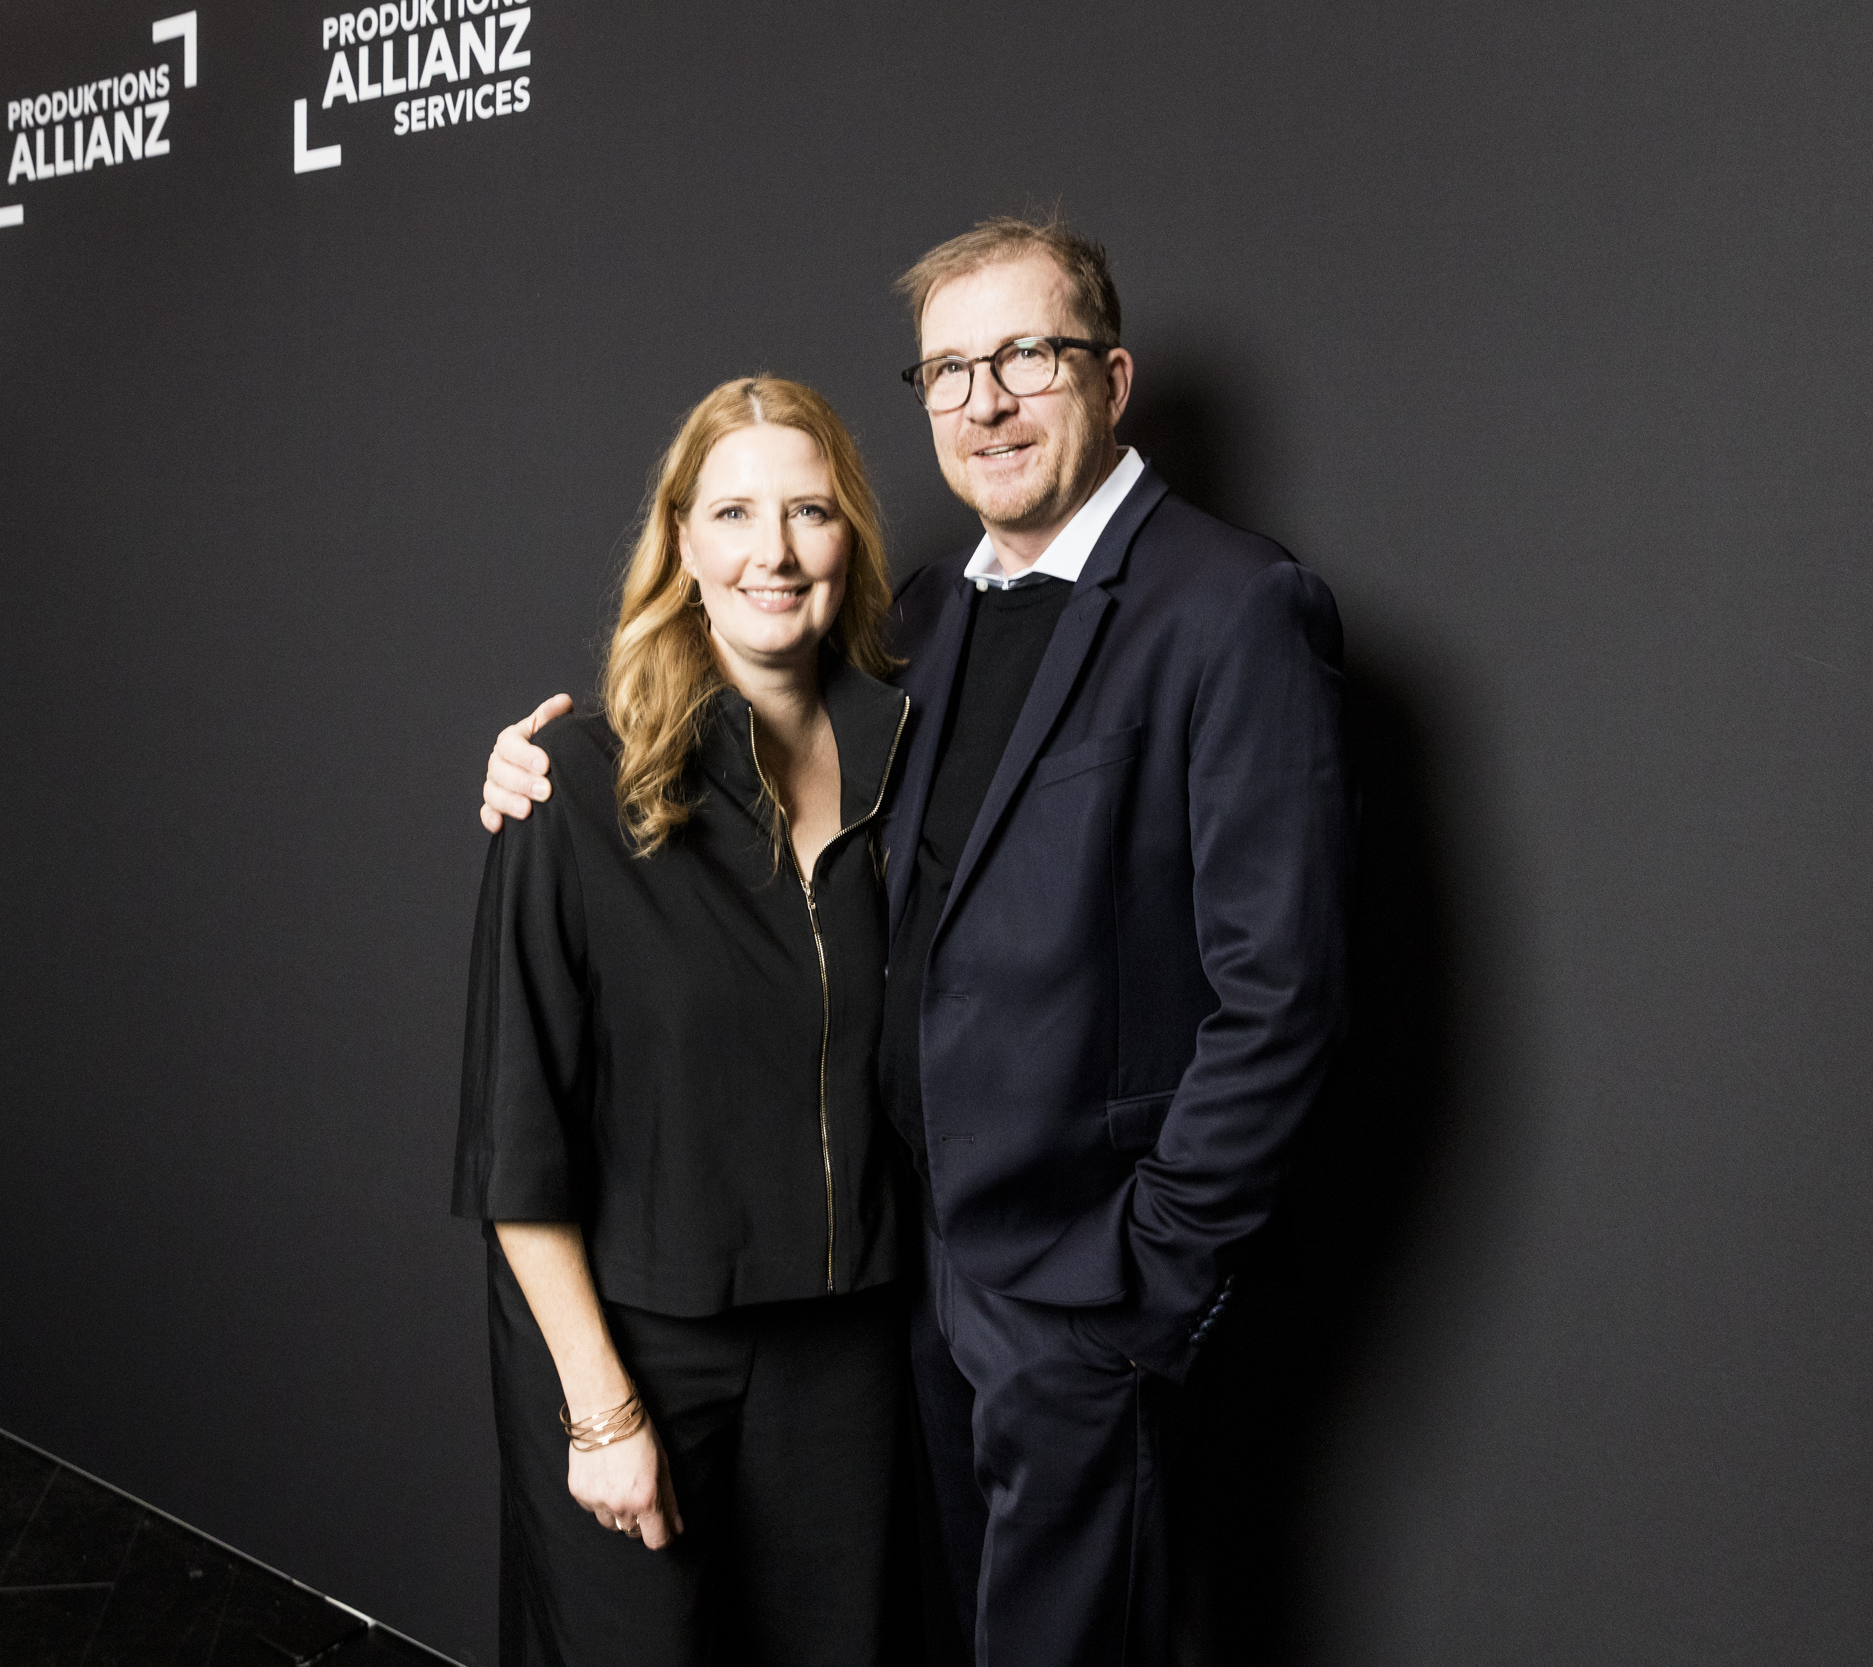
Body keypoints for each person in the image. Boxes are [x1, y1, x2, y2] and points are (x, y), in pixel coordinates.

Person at [478, 214, 1352, 1666]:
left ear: (1113, 378)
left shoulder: (1232, 606)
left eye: (1027, 357)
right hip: (917, 1304)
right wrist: (537, 768)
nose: (985, 402)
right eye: (949, 371)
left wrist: (1146, 1279)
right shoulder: (929, 624)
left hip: (1080, 1295)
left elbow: (1284, 997)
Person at [454, 375, 925, 1666]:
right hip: (637, 1343)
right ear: (682, 544)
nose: (774, 551)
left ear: (850, 538)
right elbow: (514, 1145)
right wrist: (600, 1412)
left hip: (848, 1343)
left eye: (809, 512)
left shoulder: (916, 763)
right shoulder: (572, 788)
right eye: (733, 513)